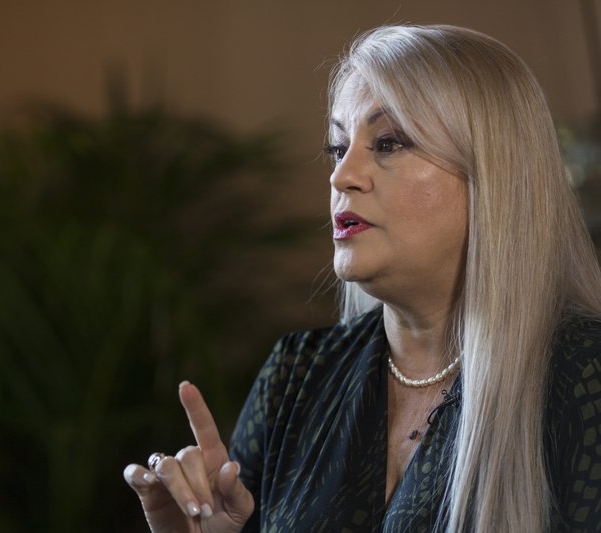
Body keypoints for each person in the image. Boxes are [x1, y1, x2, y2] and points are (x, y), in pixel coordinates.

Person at [123, 24, 601, 532]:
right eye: (337, 147)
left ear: (493, 173)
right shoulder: (295, 377)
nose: (340, 175)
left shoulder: (583, 374)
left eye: (388, 142)